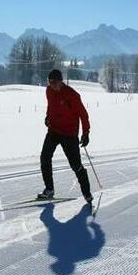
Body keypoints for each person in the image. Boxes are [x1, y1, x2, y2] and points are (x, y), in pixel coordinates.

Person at [38, 69, 93, 205]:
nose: (51, 85)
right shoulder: (49, 91)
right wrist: (48, 117)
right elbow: (51, 106)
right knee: (45, 157)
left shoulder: (72, 95)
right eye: (49, 82)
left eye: (54, 82)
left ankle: (87, 193)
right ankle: (49, 189)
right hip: (54, 131)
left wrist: (86, 133)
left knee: (75, 165)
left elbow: (83, 115)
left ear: (61, 81)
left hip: (69, 134)